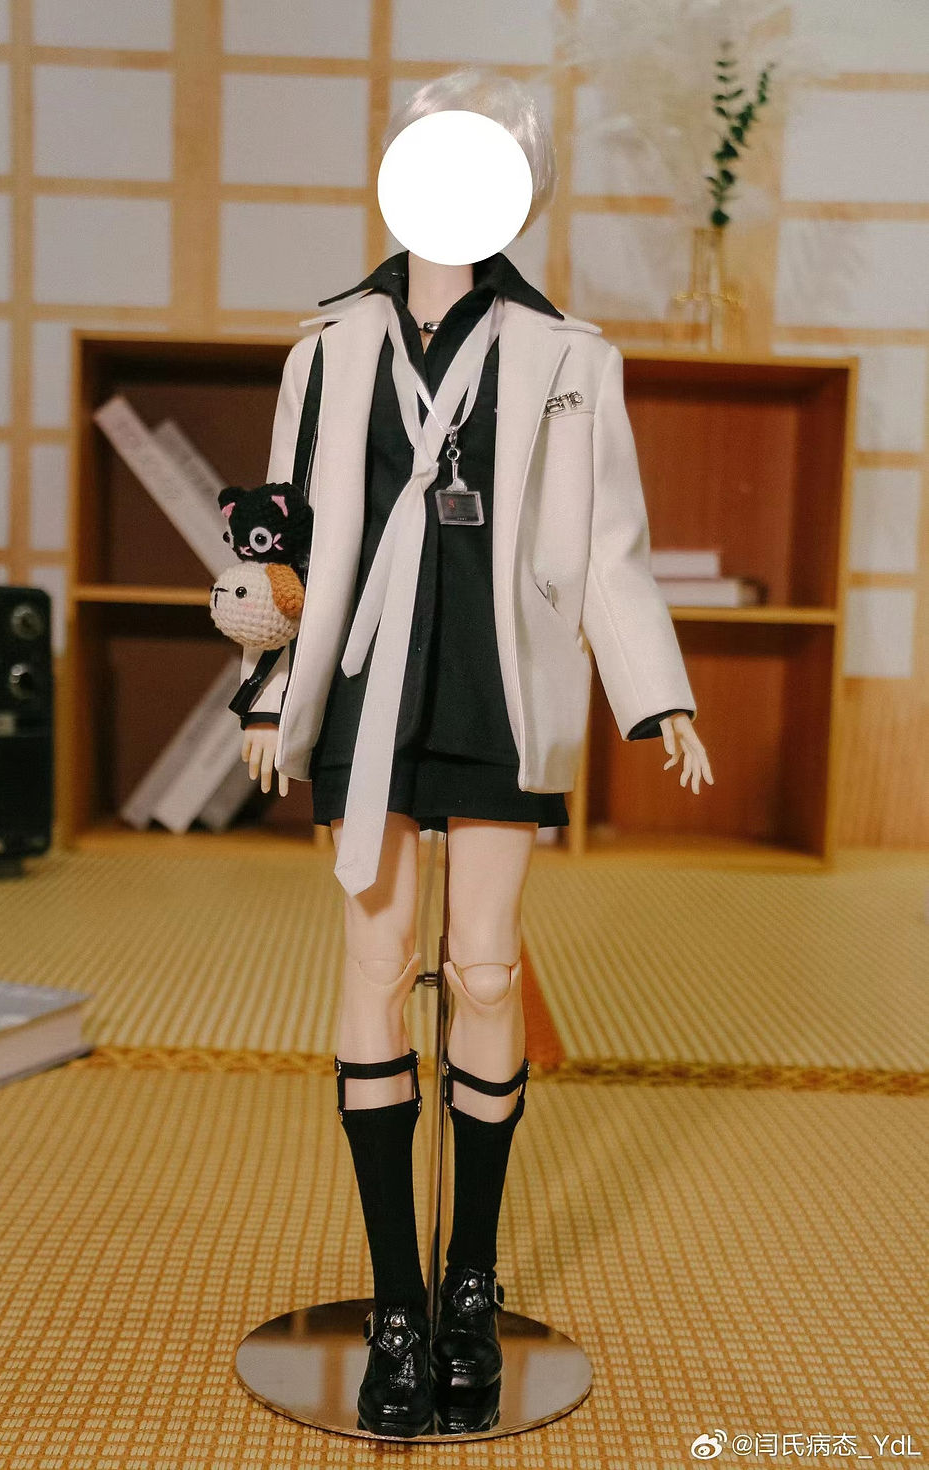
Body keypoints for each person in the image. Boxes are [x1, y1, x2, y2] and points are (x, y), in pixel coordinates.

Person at [238, 67, 713, 1438]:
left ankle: (470, 1280)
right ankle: (395, 1297)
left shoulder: (569, 356)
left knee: (490, 968)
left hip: (502, 683)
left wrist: (655, 692)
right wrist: (270, 689)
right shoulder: (327, 346)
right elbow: (281, 537)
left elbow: (609, 545)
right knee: (377, 962)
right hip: (368, 681)